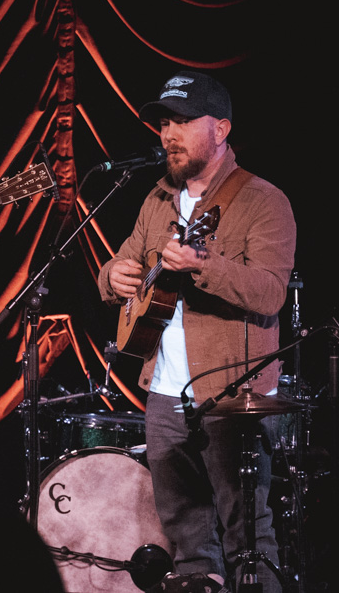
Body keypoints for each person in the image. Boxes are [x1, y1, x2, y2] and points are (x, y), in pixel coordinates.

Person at [98, 71, 296, 592]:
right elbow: (125, 260)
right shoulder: (156, 199)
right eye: (165, 122)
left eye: (184, 121)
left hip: (232, 391)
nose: (169, 133)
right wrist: (111, 275)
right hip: (163, 392)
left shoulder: (262, 200)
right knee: (187, 541)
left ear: (222, 128)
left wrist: (202, 264)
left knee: (247, 537)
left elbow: (270, 292)